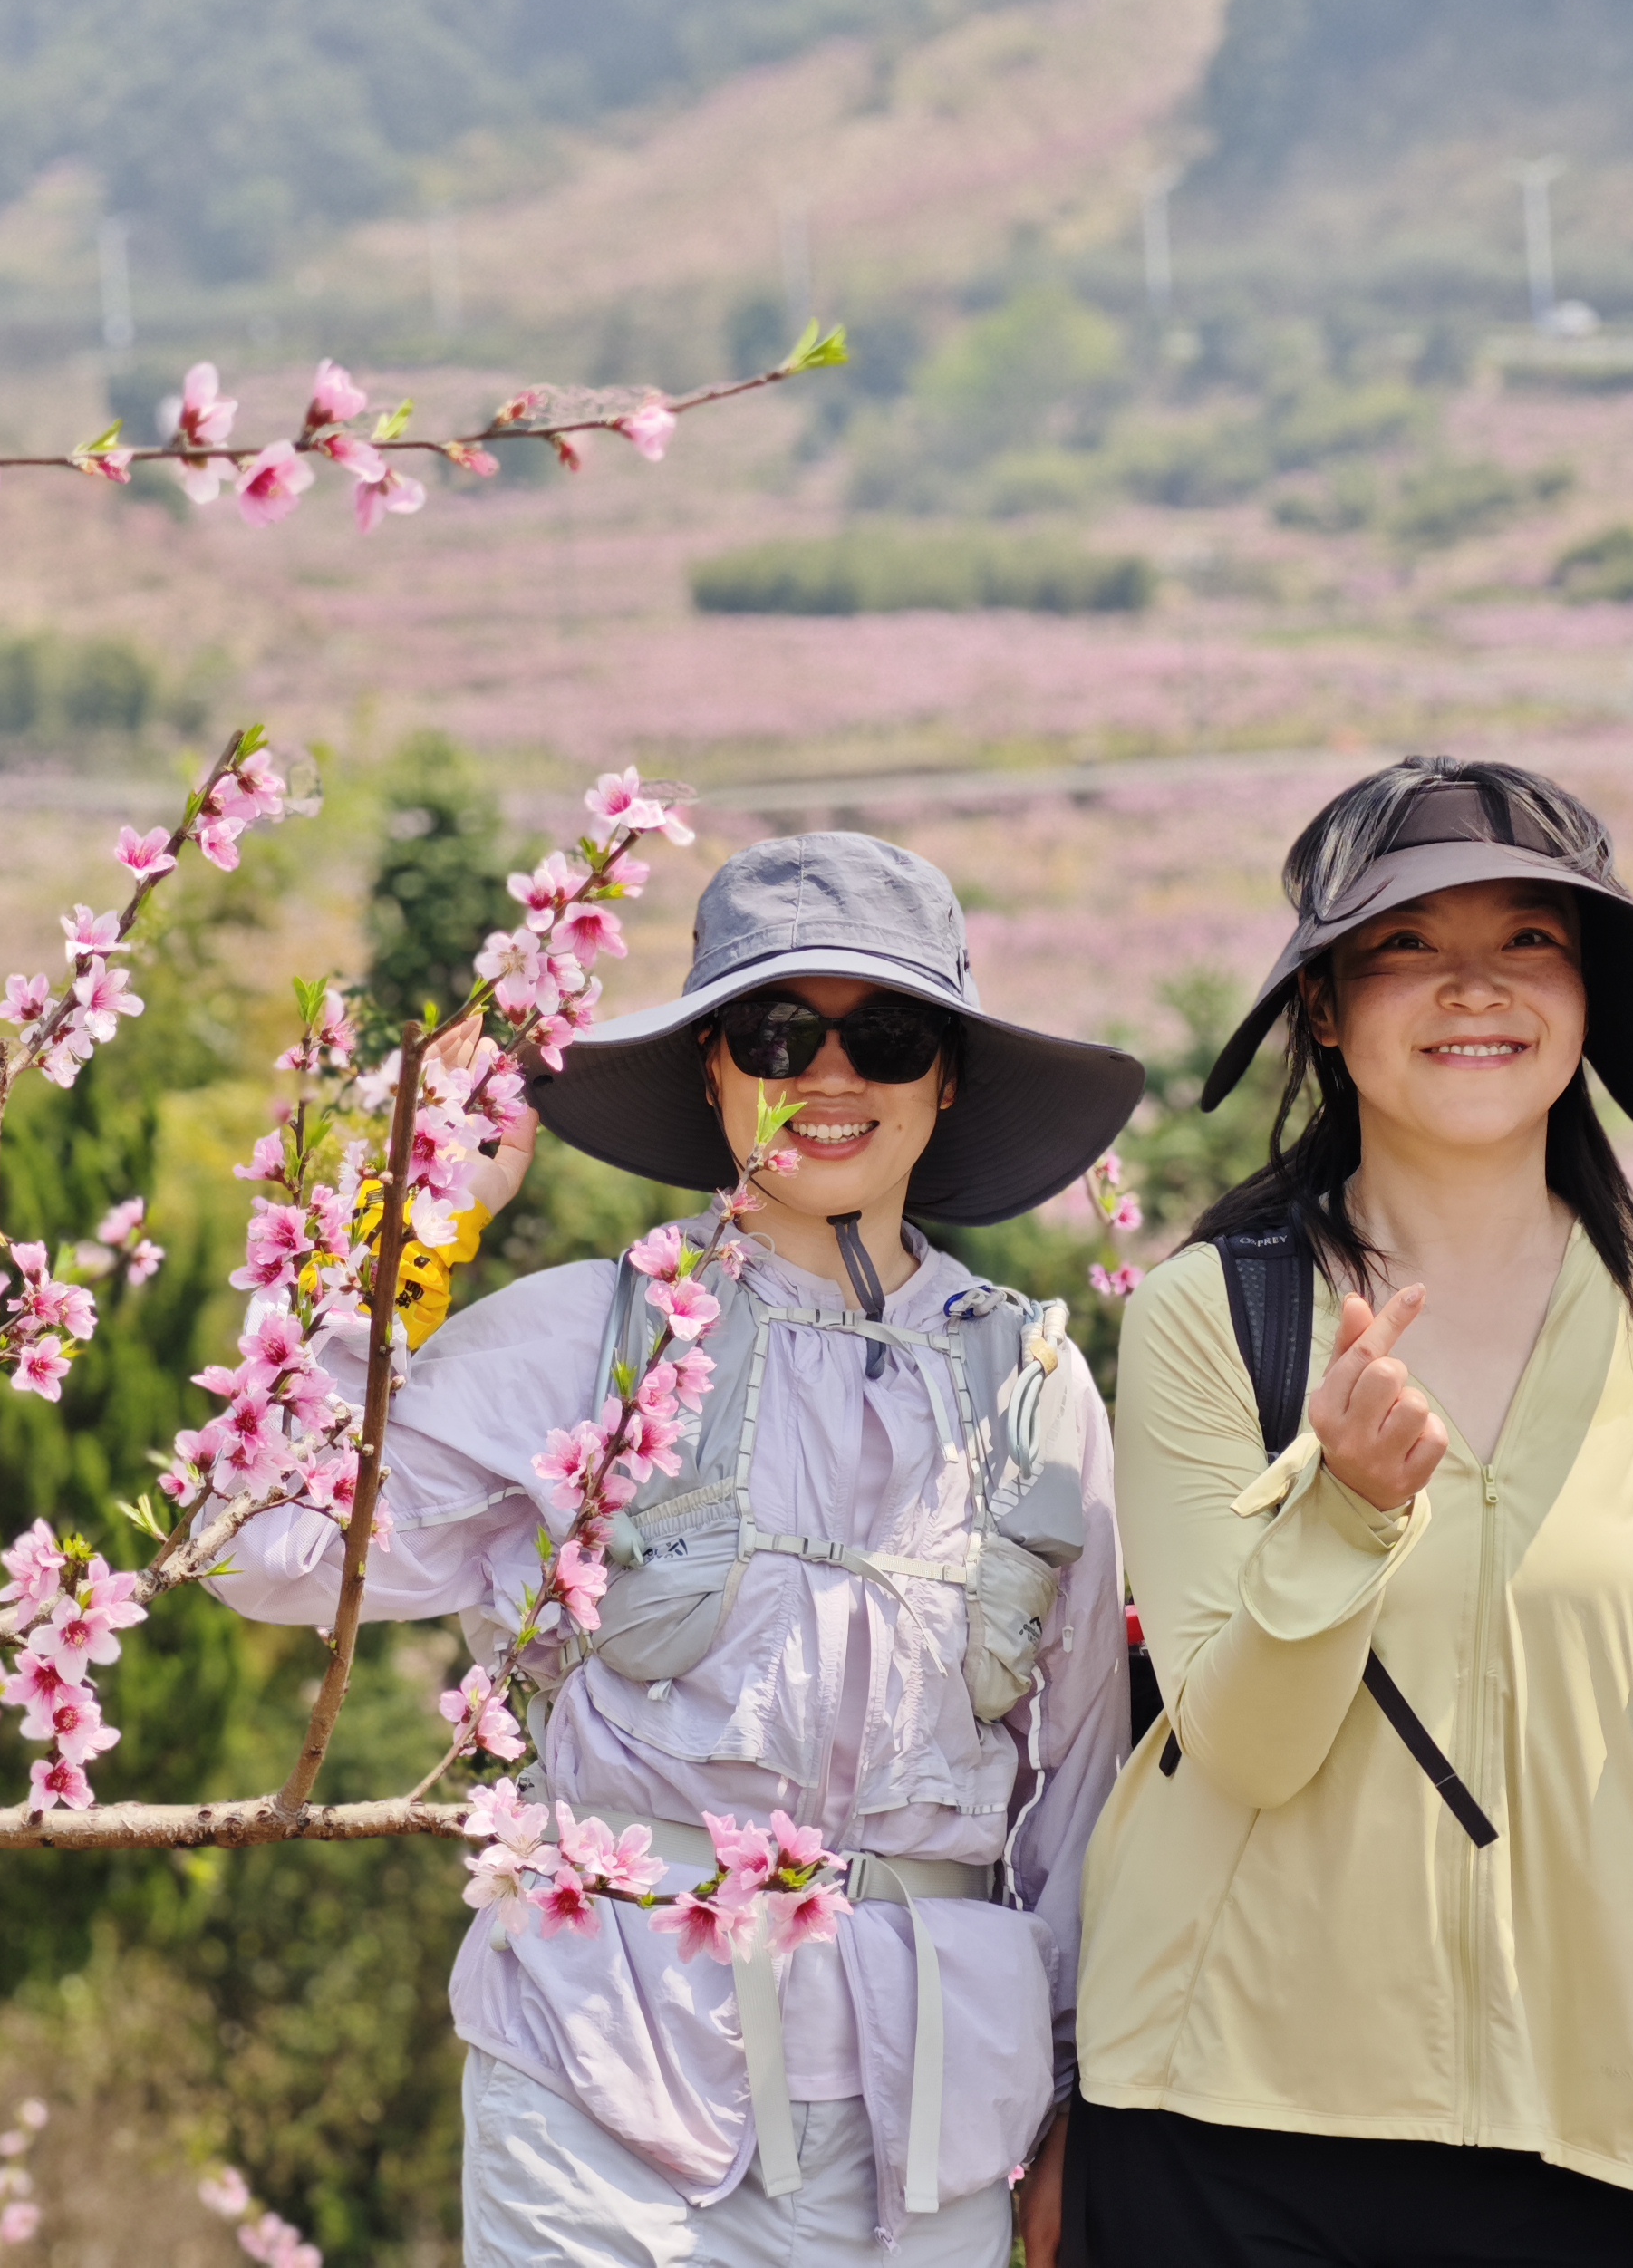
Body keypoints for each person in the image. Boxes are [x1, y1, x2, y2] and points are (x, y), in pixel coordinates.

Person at [210, 831, 1145, 2266]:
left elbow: (1076, 1782)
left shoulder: (1037, 1389)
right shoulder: (581, 1338)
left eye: (888, 1039)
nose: (831, 1078)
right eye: (777, 1034)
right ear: (712, 1066)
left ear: (947, 1079)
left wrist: (1080, 2097)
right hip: (606, 2076)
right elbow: (268, 1549)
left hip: (936, 2117)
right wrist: (408, 1238)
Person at [1074, 755, 1633, 2268]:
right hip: (1223, 2129)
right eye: (1405, 945)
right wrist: (1341, 1509)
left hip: (1585, 2141)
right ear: (1323, 1008)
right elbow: (1245, 1750)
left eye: (1530, 938)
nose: (1475, 987)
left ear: (1588, 996)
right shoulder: (1218, 1315)